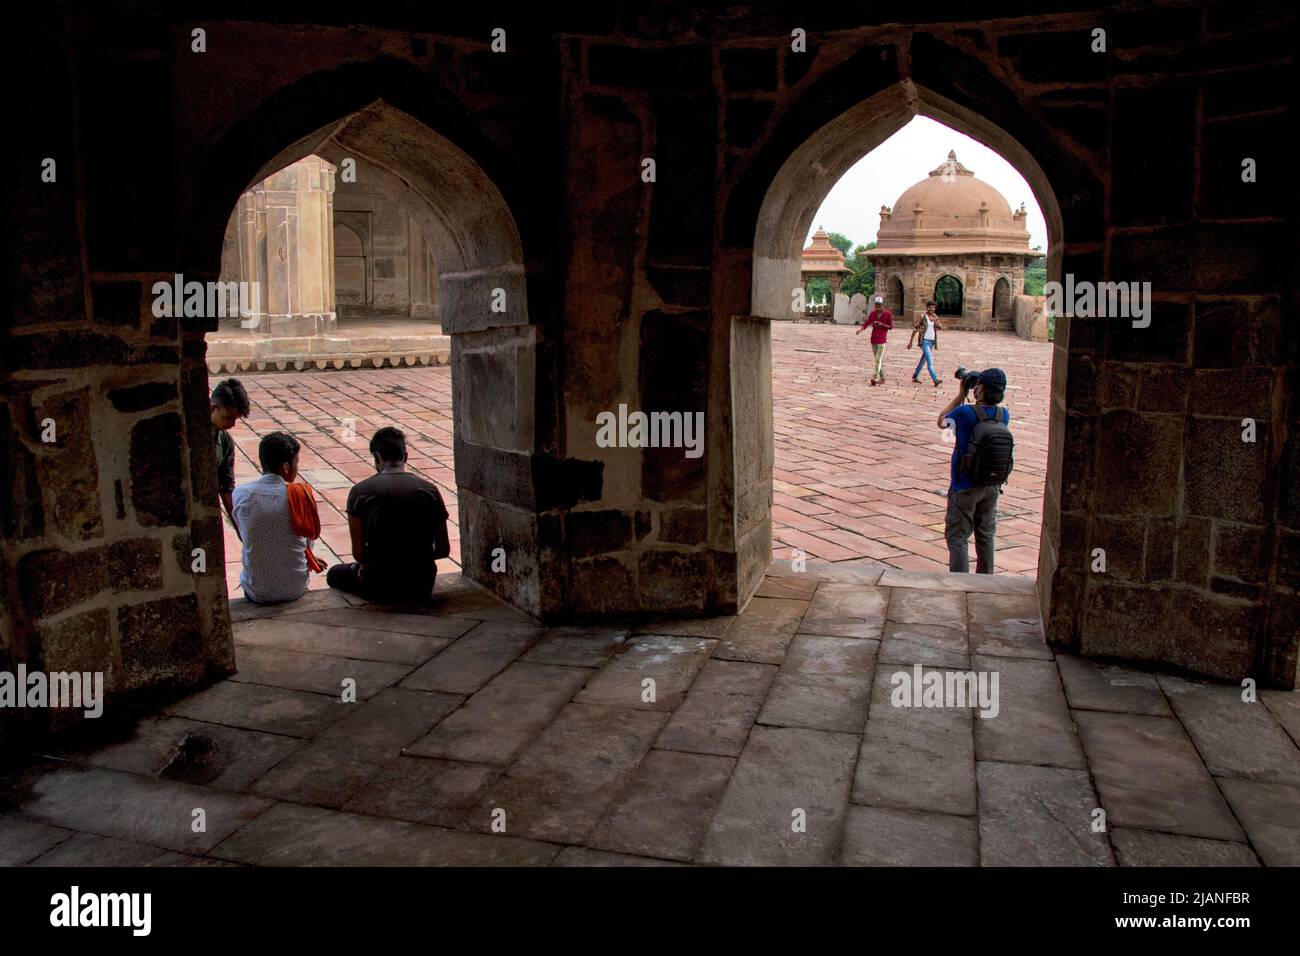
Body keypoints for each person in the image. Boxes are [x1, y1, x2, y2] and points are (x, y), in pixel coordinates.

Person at [327, 426, 451, 602]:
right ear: (406, 456)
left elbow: (359, 554)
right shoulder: (429, 490)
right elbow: (443, 550)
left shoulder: (360, 492)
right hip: (421, 583)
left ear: (377, 457)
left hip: (379, 583)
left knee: (335, 574)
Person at [231, 431, 326, 604]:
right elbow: (307, 541)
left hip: (257, 592)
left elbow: (247, 535)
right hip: (294, 588)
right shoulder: (300, 495)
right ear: (286, 467)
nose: (297, 468)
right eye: (296, 463)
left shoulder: (240, 494)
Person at [937, 368, 1012, 574]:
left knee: (958, 536)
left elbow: (942, 421)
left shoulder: (964, 413)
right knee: (986, 535)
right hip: (991, 485)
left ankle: (961, 583)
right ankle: (986, 581)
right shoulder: (1004, 415)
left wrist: (961, 394)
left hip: (964, 485)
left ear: (980, 389)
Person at [211, 378, 251, 536]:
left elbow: (226, 488)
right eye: (228, 418)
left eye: (235, 419)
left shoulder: (225, 441)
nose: (232, 424)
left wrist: (242, 531)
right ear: (213, 408)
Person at [856, 294, 893, 385]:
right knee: (878, 359)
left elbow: (890, 326)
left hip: (882, 339)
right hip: (874, 339)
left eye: (879, 305)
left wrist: (881, 324)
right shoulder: (873, 314)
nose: (878, 307)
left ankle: (874, 377)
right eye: (876, 305)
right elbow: (867, 323)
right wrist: (860, 329)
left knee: (878, 359)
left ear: (882, 305)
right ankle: (883, 377)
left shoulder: (887, 314)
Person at [907, 301, 942, 386]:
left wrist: (937, 322)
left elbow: (940, 327)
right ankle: (935, 379)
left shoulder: (935, 317)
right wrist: (910, 342)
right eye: (930, 307)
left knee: (923, 360)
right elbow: (915, 329)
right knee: (929, 361)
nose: (931, 309)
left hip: (932, 342)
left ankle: (915, 376)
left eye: (933, 307)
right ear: (927, 308)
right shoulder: (923, 317)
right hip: (924, 341)